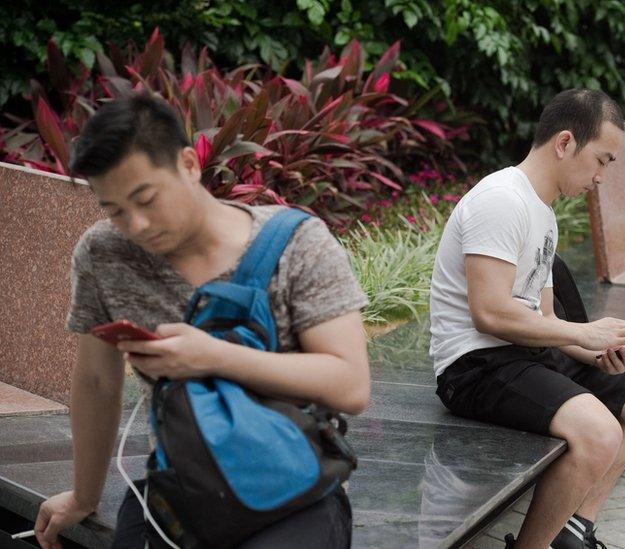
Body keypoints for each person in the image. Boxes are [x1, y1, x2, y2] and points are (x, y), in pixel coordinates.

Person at [33, 93, 371, 548]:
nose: (135, 224)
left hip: (293, 486)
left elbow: (350, 385)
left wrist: (210, 356)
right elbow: (96, 380)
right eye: (113, 209)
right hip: (182, 476)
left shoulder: (298, 245)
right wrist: (83, 495)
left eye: (146, 198)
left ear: (190, 165)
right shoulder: (103, 253)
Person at [428, 89, 625, 549]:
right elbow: (491, 312)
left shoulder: (544, 213)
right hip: (475, 366)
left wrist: (598, 350)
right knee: (597, 431)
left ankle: (574, 531)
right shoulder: (500, 200)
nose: (601, 176)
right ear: (564, 142)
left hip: (523, 354)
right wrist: (584, 332)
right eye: (601, 160)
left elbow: (544, 317)